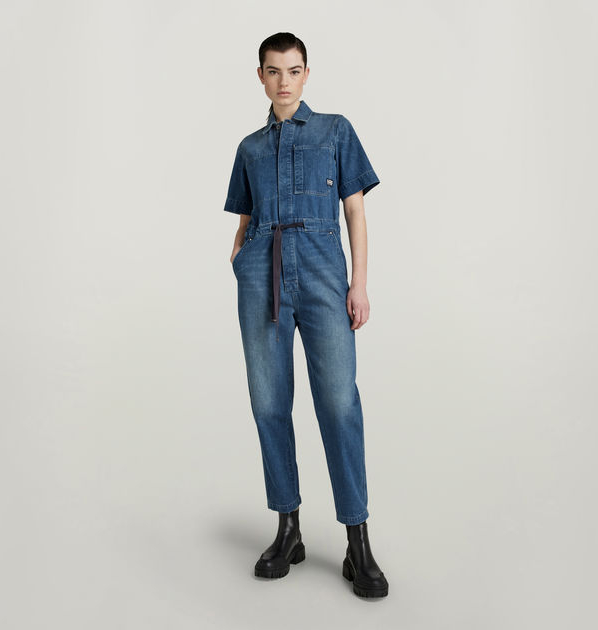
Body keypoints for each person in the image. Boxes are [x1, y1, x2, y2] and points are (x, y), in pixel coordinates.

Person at [223, 32, 388, 598]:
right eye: (273, 71)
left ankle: (357, 542)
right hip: (261, 273)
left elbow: (355, 212)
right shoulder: (249, 147)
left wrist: (358, 283)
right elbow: (244, 219)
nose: (284, 81)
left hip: (322, 272)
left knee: (339, 403)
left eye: (293, 71)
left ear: (307, 74)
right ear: (261, 77)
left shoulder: (335, 131)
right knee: (269, 402)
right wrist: (241, 258)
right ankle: (288, 528)